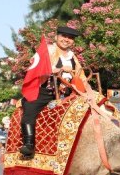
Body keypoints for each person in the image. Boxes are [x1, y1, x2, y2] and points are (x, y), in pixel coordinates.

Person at [19, 26, 86, 159]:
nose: (67, 40)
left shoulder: (73, 57)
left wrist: (84, 88)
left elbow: (81, 76)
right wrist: (58, 69)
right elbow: (36, 69)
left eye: (70, 38)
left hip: (68, 93)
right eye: (64, 36)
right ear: (57, 37)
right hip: (45, 91)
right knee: (29, 107)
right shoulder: (47, 51)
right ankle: (29, 144)